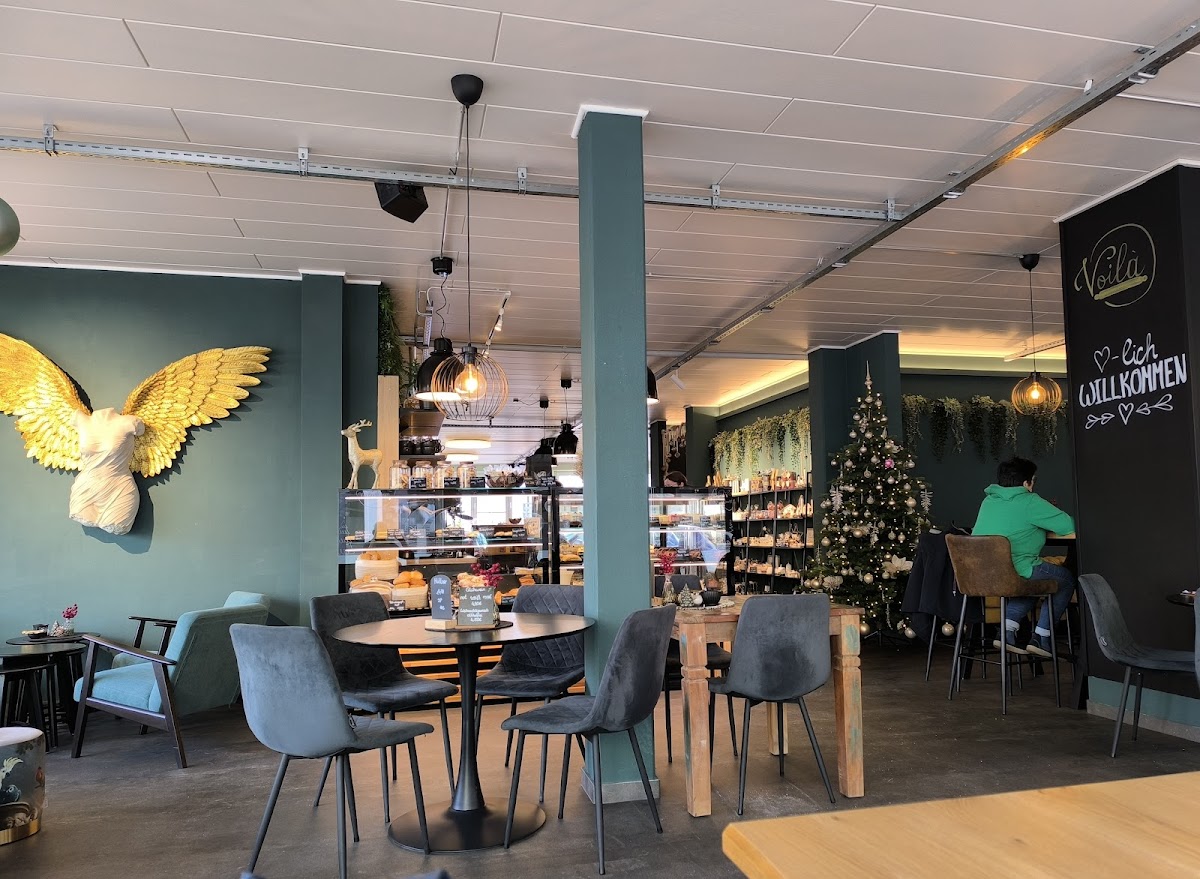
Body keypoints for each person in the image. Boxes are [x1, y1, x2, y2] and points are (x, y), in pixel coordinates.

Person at [972, 456, 1076, 658]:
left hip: (983, 574)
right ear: (1027, 482)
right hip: (1017, 569)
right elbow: (1069, 525)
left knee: (1031, 584)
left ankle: (1006, 631)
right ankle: (1042, 637)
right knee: (1066, 579)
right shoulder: (1030, 501)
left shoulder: (988, 501)